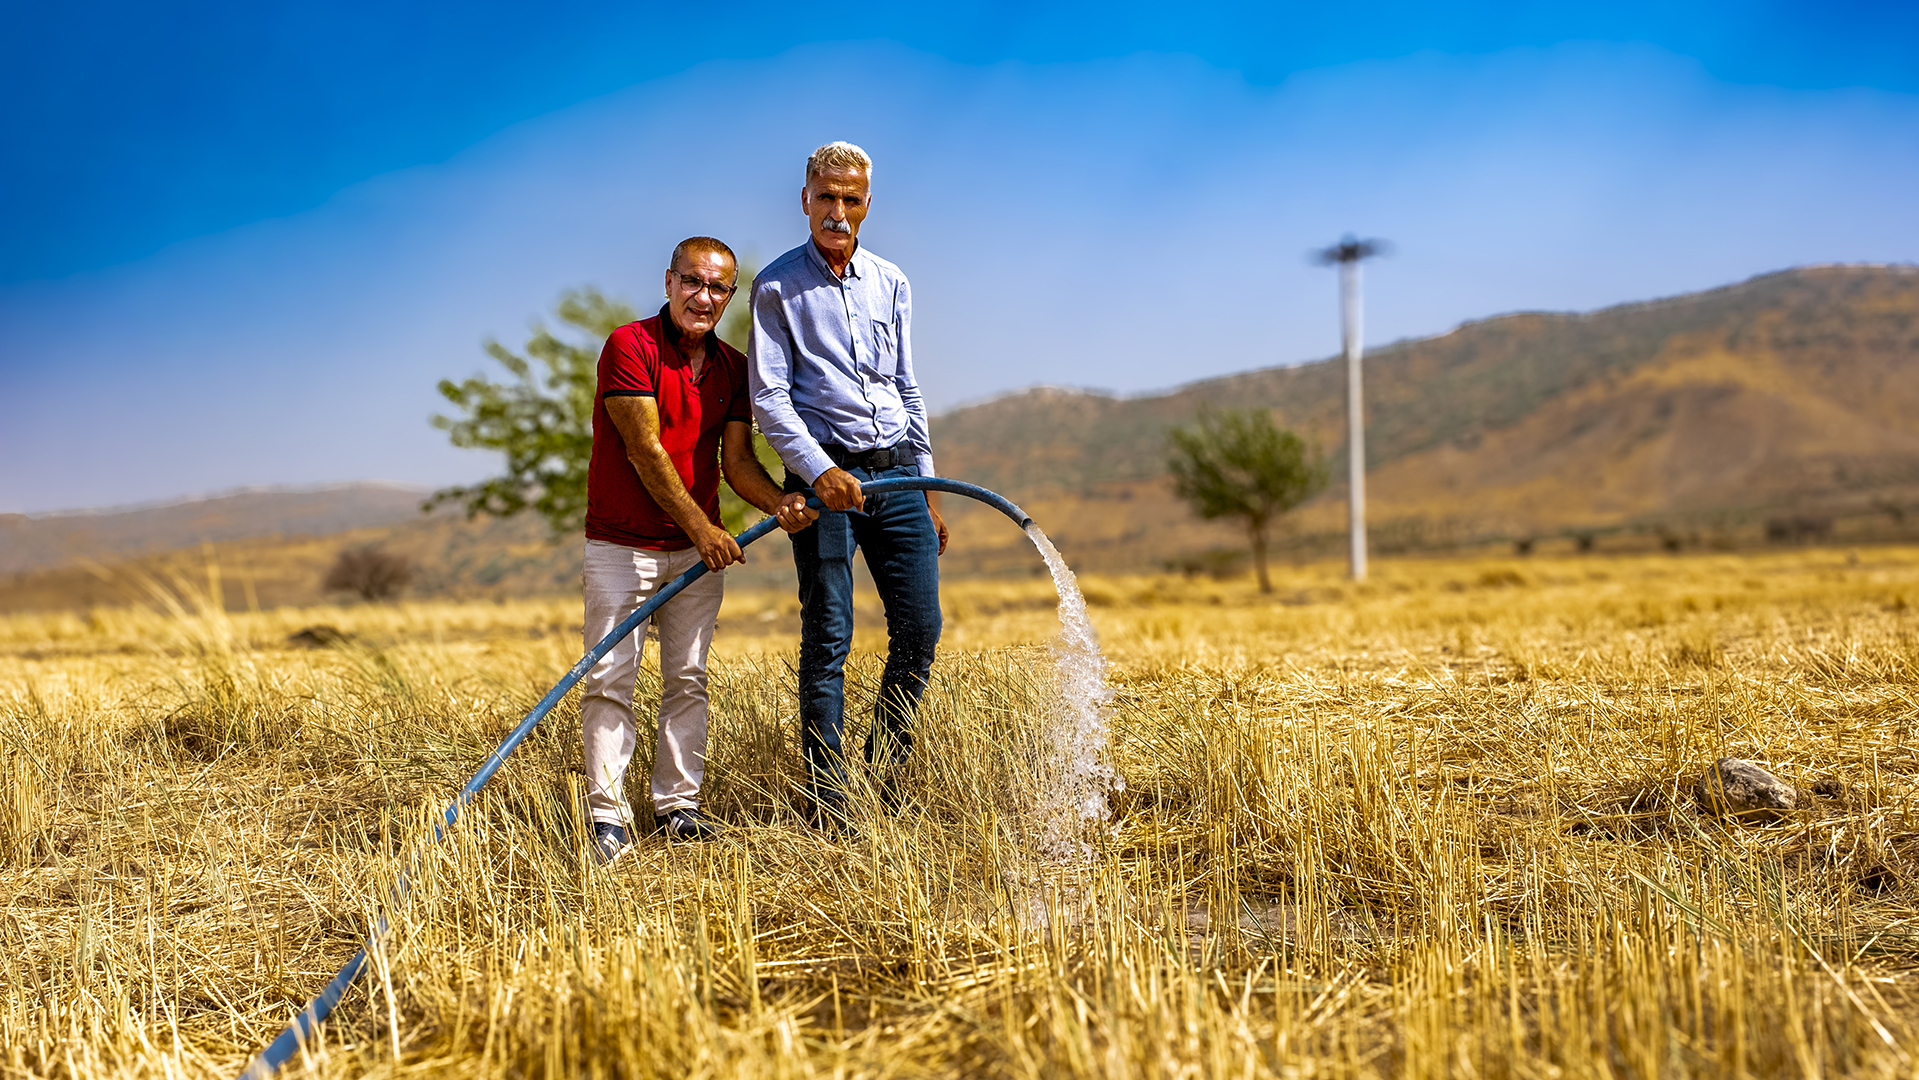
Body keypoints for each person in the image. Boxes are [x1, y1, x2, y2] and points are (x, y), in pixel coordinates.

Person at [581, 236, 816, 862]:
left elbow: (736, 461)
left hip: (696, 549)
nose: (703, 297)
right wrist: (703, 531)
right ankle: (607, 818)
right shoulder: (628, 347)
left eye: (717, 288)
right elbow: (645, 452)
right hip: (621, 543)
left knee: (688, 677)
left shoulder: (735, 368)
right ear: (668, 281)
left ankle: (678, 806)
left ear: (729, 296)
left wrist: (777, 505)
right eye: (692, 282)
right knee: (610, 678)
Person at [748, 141, 948, 832]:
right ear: (804, 199)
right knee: (829, 633)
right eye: (825, 197)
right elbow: (770, 399)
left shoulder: (891, 281)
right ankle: (830, 803)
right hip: (821, 475)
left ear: (867, 203)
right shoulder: (775, 286)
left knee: (920, 628)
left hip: (896, 470)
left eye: (850, 199)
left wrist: (926, 486)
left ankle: (882, 774)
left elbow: (905, 385)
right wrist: (817, 470)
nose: (838, 211)